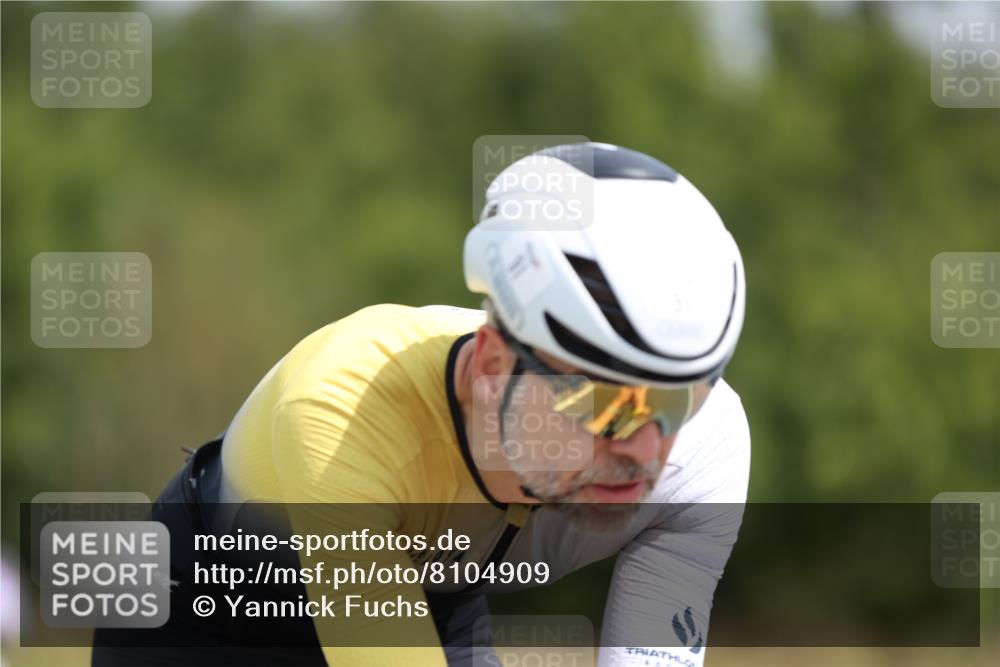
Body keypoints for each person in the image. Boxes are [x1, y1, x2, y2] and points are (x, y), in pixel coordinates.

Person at [92, 142, 749, 667]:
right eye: (606, 404)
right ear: (492, 365)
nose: (645, 449)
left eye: (679, 399)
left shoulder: (706, 447)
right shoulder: (338, 416)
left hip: (430, 593)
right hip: (211, 614)